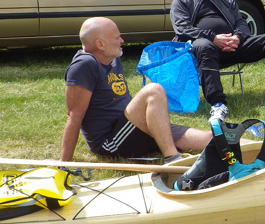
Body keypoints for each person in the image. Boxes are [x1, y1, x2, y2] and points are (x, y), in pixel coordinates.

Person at [62, 17, 213, 163]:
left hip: (134, 128)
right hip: (111, 142)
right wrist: (64, 163)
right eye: (117, 38)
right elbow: (74, 116)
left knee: (210, 139)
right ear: (100, 44)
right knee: (153, 90)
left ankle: (233, 144)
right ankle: (172, 158)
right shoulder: (84, 65)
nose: (122, 41)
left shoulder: (112, 58)